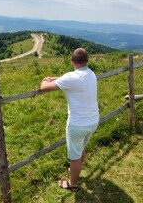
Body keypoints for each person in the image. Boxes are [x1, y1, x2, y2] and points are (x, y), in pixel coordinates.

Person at [40, 48, 99, 191]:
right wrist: (57, 78)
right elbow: (71, 78)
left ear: (72, 61)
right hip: (93, 121)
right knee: (80, 149)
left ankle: (72, 184)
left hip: (78, 124)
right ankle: (75, 171)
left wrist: (44, 80)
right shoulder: (91, 74)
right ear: (87, 61)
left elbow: (44, 88)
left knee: (74, 156)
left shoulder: (71, 78)